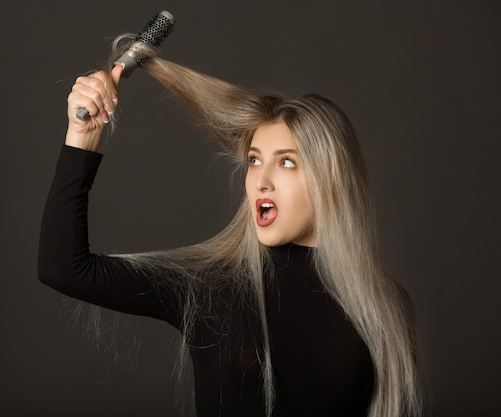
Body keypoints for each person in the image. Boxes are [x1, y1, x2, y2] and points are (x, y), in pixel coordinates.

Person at [38, 37, 423, 417]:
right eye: (254, 160)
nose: (260, 180)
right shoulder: (213, 286)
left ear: (332, 179)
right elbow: (65, 268)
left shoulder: (384, 307)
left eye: (286, 162)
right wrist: (81, 138)